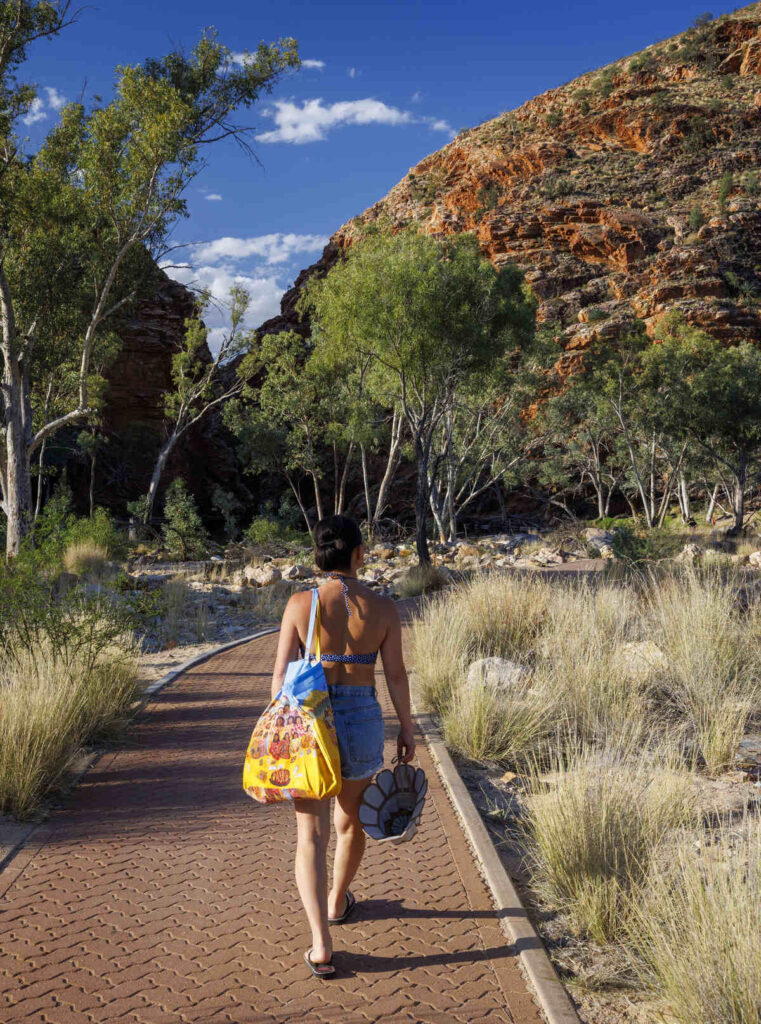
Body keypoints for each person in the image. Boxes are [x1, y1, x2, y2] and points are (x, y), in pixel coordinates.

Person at [269, 514, 416, 978]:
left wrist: (280, 732)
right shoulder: (384, 608)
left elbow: (279, 679)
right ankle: (337, 902)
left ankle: (321, 944)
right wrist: (407, 727)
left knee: (310, 837)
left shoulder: (300, 603)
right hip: (363, 718)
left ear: (318, 554)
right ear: (358, 554)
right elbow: (395, 675)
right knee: (350, 821)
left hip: (311, 720)